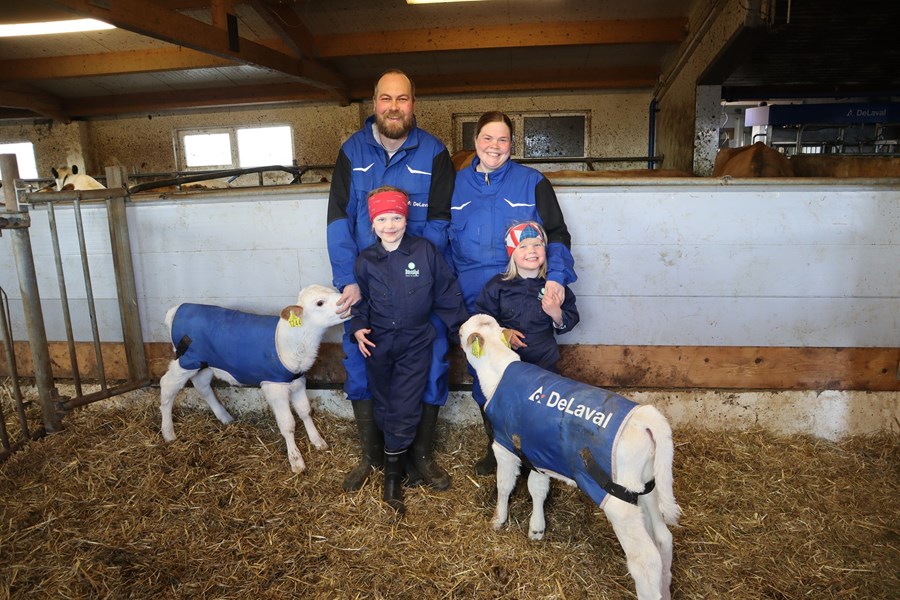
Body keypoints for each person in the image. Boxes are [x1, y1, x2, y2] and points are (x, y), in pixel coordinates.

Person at [327, 69, 456, 492]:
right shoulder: (352, 151)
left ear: (413, 103)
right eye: (386, 99)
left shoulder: (434, 153)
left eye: (402, 99)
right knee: (360, 362)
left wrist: (415, 273)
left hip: (418, 290)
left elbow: (438, 223)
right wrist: (348, 279)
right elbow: (337, 222)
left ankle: (419, 456)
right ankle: (371, 456)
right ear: (375, 103)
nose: (394, 107)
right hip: (366, 285)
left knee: (434, 364)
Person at [448, 111, 577, 475]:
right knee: (484, 374)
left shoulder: (532, 182)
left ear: (512, 144)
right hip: (476, 299)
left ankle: (535, 450)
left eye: (502, 140)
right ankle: (499, 446)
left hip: (522, 293)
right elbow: (441, 239)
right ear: (475, 142)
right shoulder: (453, 186)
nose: (495, 146)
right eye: (487, 138)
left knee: (532, 372)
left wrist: (557, 277)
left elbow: (558, 234)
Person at [351, 187, 468, 514]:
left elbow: (446, 292)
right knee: (385, 404)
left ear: (406, 219)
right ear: (373, 223)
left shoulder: (424, 251)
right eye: (383, 218)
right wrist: (357, 327)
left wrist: (463, 328)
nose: (391, 224)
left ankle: (391, 484)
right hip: (377, 344)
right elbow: (361, 301)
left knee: (404, 403)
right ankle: (400, 465)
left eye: (397, 217)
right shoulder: (366, 260)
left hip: (415, 341)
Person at [476, 221, 579, 373]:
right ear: (512, 253)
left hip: (545, 362)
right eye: (523, 246)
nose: (531, 250)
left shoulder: (554, 287)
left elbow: (571, 319)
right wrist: (503, 333)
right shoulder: (497, 286)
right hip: (506, 362)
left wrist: (556, 313)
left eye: (537, 245)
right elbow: (481, 319)